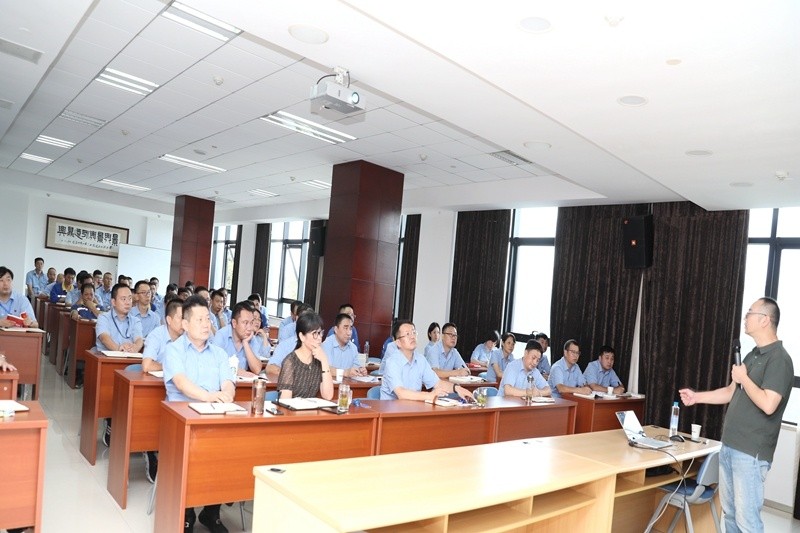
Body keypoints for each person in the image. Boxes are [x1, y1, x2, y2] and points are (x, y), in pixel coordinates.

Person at [679, 297, 792, 532]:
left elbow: (769, 404)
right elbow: (731, 392)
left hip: (750, 453)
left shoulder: (779, 359)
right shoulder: (752, 355)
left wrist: (744, 378)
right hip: (730, 446)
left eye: (750, 312)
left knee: (747, 522)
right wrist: (696, 397)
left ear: (765, 320)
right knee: (730, 516)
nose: (745, 317)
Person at [163, 295, 234, 533]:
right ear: (185, 324)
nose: (206, 324)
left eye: (208, 319)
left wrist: (226, 393)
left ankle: (211, 512)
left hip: (213, 418)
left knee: (231, 451)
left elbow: (228, 383)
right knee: (193, 457)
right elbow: (181, 383)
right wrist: (210, 396)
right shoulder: (173, 350)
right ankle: (186, 513)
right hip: (181, 420)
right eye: (200, 319)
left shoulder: (219, 353)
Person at [380, 319, 473, 401]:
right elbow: (401, 393)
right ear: (398, 342)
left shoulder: (420, 359)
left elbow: (438, 383)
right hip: (391, 412)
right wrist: (429, 395)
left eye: (414, 332)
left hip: (413, 409)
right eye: (407, 334)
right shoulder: (392, 362)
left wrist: (457, 388)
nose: (412, 336)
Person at [276, 312, 334, 400]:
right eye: (315, 333)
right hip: (293, 408)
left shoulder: (319, 360)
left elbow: (328, 396)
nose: (319, 338)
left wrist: (324, 361)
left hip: (312, 408)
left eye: (320, 333)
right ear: (302, 336)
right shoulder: (290, 362)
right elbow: (285, 401)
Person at [211, 301, 264, 375]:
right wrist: (237, 371)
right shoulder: (221, 335)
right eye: (245, 323)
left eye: (251, 322)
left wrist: (245, 343)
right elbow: (214, 363)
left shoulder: (251, 338)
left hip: (243, 381)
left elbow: (257, 369)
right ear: (234, 323)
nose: (249, 328)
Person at [266, 303, 314, 381]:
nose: (307, 324)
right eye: (305, 319)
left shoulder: (318, 345)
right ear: (297, 319)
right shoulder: (286, 344)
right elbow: (270, 368)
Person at [321, 313, 367, 377]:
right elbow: (325, 369)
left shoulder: (353, 348)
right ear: (336, 329)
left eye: (350, 329)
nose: (349, 333)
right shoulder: (326, 345)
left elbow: (356, 368)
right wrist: (345, 372)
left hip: (348, 383)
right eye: (345, 328)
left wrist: (360, 370)